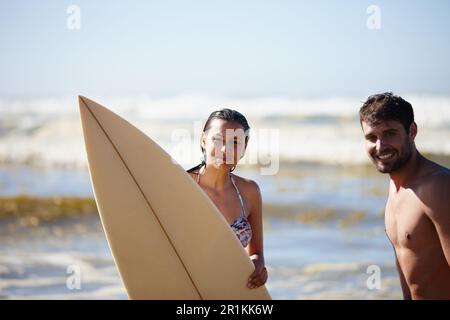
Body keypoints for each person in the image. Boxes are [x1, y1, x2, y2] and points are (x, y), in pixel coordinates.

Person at [359, 92, 450, 299]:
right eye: (371, 137)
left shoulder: (439, 187)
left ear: (412, 131)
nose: (380, 146)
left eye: (390, 133)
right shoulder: (395, 189)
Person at [187, 108, 268, 289]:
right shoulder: (181, 185)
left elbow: (257, 253)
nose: (226, 149)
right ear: (203, 140)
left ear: (244, 149)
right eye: (218, 139)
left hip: (229, 288)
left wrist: (257, 266)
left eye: (235, 142)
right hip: (187, 287)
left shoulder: (249, 192)